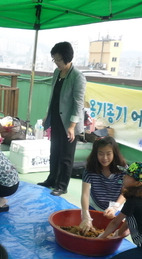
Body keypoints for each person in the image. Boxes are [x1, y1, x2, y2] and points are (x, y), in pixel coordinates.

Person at [37, 41, 86, 196]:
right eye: (54, 60)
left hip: (70, 123)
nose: (56, 63)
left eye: (58, 60)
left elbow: (78, 104)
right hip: (57, 119)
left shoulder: (78, 77)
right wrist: (48, 115)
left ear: (67, 57)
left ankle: (62, 186)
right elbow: (54, 97)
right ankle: (52, 180)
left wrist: (72, 126)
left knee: (66, 156)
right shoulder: (57, 73)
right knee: (54, 152)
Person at [79, 137, 127, 233]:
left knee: (111, 233)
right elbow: (85, 194)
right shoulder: (90, 169)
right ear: (95, 154)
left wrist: (114, 207)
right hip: (94, 205)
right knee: (88, 230)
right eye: (101, 154)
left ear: (114, 153)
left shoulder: (123, 169)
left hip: (115, 207)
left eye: (108, 154)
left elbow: (125, 192)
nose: (105, 158)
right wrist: (85, 214)